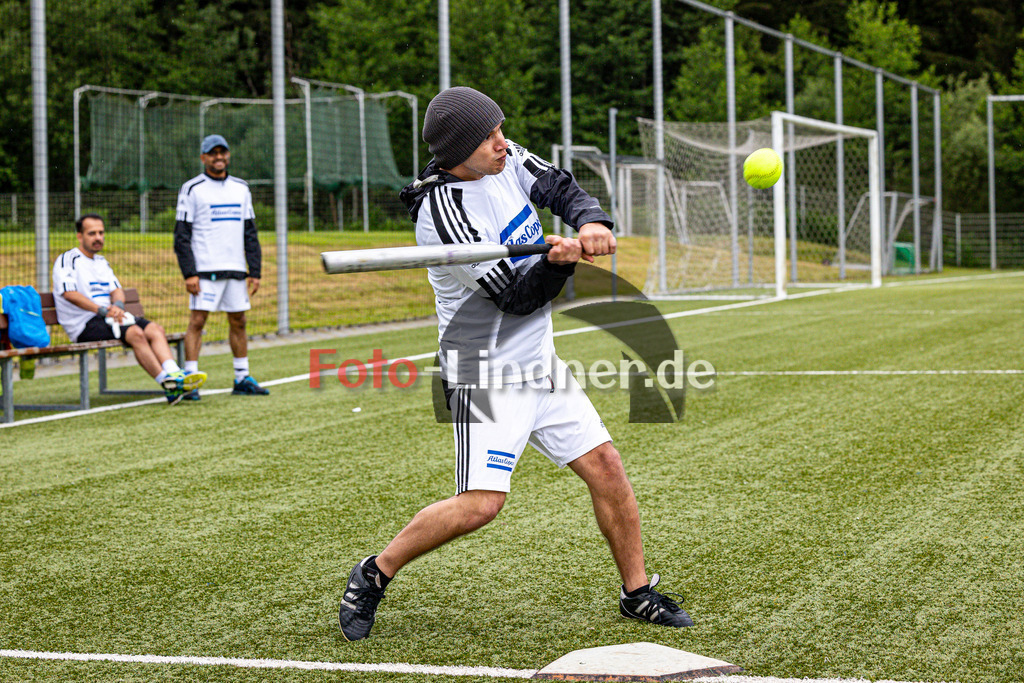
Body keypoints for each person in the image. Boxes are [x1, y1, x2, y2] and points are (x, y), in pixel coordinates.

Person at [337, 86, 693, 641]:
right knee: (481, 505)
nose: (503, 143)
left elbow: (558, 185)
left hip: (539, 364)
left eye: (500, 129)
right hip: (486, 373)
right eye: (489, 137)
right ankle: (374, 572)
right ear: (458, 151)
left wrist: (591, 221)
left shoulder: (504, 160)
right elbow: (515, 297)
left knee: (607, 467)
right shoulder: (442, 213)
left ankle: (637, 592)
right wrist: (559, 265)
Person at [53, 214, 207, 405]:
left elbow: (117, 289)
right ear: (79, 236)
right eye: (92, 233)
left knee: (155, 329)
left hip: (111, 317)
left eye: (101, 233)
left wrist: (117, 306)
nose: (98, 237)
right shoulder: (68, 259)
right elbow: (69, 294)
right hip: (84, 324)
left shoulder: (101, 262)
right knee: (135, 333)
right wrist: (102, 310)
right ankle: (169, 385)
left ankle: (174, 373)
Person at [173, 134, 269, 399]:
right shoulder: (192, 188)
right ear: (203, 158)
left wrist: (255, 271)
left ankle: (241, 378)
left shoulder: (241, 188)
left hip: (236, 270)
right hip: (204, 271)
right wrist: (189, 272)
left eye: (222, 152)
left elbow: (250, 232)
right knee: (198, 321)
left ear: (228, 155)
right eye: (212, 153)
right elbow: (181, 235)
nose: (219, 157)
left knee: (239, 321)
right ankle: (190, 380)